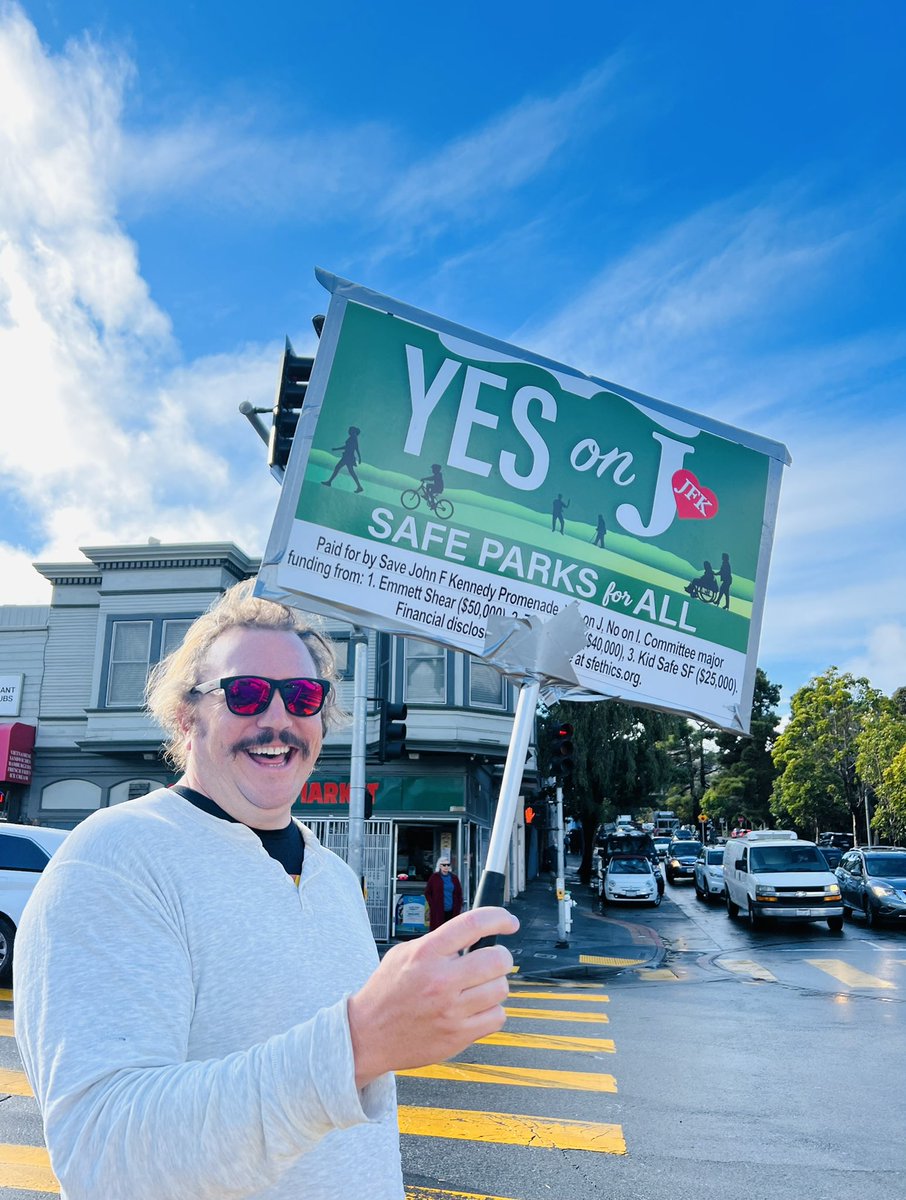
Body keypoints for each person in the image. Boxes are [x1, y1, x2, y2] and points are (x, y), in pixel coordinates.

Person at [14, 581, 517, 1200]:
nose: (278, 718)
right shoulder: (114, 859)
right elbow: (104, 1155)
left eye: (303, 696)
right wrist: (356, 1043)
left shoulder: (334, 878)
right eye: (246, 693)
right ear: (187, 716)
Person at [424, 856, 463, 931]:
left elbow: (459, 893)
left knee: (451, 930)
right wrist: (433, 904)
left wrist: (459, 905)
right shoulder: (434, 877)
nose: (446, 867)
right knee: (439, 929)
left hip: (452, 910)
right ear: (440, 866)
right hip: (438, 909)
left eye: (448, 865)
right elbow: (427, 892)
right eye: (444, 865)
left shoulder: (454, 878)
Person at [323, 425, 363, 492]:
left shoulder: (353, 438)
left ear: (353, 431)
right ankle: (359, 487)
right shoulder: (353, 438)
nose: (348, 431)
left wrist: (359, 457)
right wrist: (336, 449)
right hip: (348, 457)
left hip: (348, 457)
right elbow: (348, 447)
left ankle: (329, 482)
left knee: (338, 468)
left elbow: (355, 448)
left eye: (350, 430)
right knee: (350, 471)